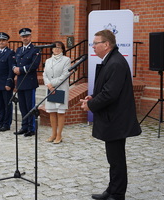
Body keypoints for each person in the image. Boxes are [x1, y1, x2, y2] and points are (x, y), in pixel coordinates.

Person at [80, 29, 141, 200]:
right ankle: (112, 190)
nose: (92, 46)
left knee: (117, 160)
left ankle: (117, 194)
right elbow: (106, 88)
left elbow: (110, 94)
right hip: (112, 118)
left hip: (116, 120)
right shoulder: (111, 61)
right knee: (113, 159)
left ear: (106, 45)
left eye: (95, 43)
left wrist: (91, 105)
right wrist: (93, 96)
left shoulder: (115, 63)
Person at [13, 28, 41, 137]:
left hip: (29, 82)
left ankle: (31, 128)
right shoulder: (19, 50)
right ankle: (24, 126)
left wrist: (20, 69)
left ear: (30, 37)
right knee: (22, 106)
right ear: (20, 38)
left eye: (27, 36)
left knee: (30, 106)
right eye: (23, 36)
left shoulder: (35, 50)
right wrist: (14, 68)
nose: (25, 38)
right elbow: (14, 62)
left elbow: (34, 65)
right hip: (20, 82)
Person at [43, 41, 70, 144]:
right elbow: (45, 74)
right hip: (50, 89)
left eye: (59, 47)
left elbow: (64, 75)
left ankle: (59, 135)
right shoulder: (48, 60)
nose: (56, 49)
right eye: (54, 47)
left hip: (61, 88)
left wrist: (52, 84)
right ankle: (53, 134)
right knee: (52, 111)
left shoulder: (66, 60)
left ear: (62, 49)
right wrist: (48, 85)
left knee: (60, 112)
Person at [0, 32, 15, 132]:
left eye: (3, 40)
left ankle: (6, 124)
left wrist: (9, 82)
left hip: (5, 83)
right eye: (0, 40)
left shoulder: (10, 53)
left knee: (7, 104)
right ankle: (1, 122)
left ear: (7, 41)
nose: (1, 42)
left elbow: (11, 69)